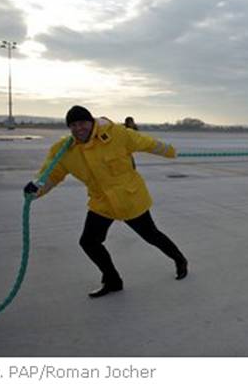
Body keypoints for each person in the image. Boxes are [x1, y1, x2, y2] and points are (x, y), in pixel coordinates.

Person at [23, 105, 187, 298]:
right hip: (102, 202)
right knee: (88, 242)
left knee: (151, 235)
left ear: (91, 121)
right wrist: (36, 189)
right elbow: (51, 175)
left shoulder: (117, 134)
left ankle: (180, 260)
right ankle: (113, 280)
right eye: (73, 125)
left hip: (129, 198)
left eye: (82, 123)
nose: (78, 128)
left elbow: (148, 143)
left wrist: (174, 152)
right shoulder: (64, 150)